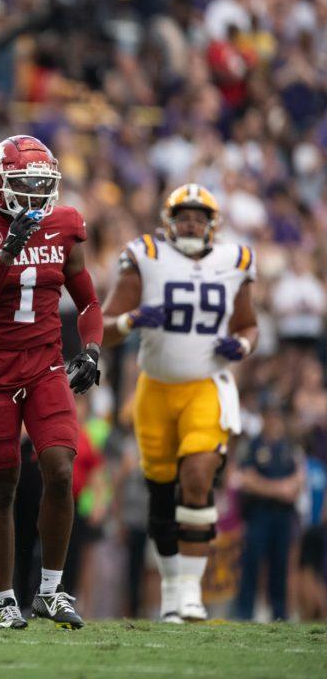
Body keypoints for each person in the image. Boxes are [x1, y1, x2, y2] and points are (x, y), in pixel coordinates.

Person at [0, 135, 102, 629]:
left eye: (41, 185)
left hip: (45, 363)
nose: (35, 196)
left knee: (59, 470)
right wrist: (8, 252)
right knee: (3, 484)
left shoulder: (64, 225)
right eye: (23, 185)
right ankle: (5, 597)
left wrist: (93, 348)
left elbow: (90, 303)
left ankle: (52, 591)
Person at [101, 184, 259, 623]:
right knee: (160, 494)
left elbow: (249, 325)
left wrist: (241, 347)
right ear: (168, 220)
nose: (191, 223)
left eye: (199, 216)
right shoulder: (146, 255)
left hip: (206, 387)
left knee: (197, 474)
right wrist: (131, 319)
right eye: (184, 215)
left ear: (213, 224)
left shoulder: (235, 261)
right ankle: (172, 587)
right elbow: (102, 327)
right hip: (154, 389)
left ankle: (190, 589)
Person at [236, 410, 304, 621]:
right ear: (264, 418)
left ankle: (279, 613)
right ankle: (245, 612)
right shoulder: (252, 446)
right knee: (252, 563)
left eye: (276, 415)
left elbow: (300, 477)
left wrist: (286, 488)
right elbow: (246, 479)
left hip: (283, 515)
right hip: (259, 513)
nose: (273, 419)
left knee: (280, 564)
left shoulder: (289, 446)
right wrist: (279, 489)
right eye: (270, 415)